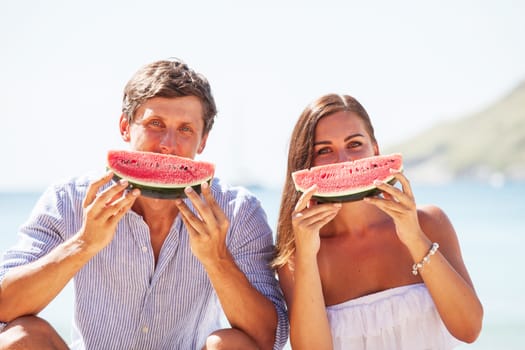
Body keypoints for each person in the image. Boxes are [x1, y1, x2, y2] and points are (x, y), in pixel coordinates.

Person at [0, 58, 288, 350]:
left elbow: (269, 339)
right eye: (155, 124)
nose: (168, 144)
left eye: (185, 129)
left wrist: (218, 259)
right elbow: (3, 307)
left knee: (231, 345)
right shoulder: (69, 199)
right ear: (125, 127)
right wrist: (83, 245)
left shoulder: (236, 211)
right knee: (21, 337)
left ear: (202, 142)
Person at [272, 93, 483, 349]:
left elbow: (469, 329)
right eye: (324, 150)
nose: (344, 161)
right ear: (306, 162)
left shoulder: (430, 223)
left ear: (375, 149)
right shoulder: (297, 258)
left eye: (354, 144)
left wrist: (414, 239)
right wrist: (306, 255)